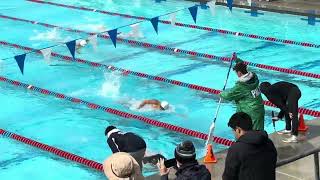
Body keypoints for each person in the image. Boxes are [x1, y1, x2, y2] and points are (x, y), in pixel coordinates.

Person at [223, 112, 277, 180]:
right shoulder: (268, 142)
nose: (234, 134)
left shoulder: (236, 149)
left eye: (233, 131)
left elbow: (228, 177)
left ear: (238, 130)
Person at [220, 58, 265, 130]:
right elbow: (243, 65)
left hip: (250, 113)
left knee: (249, 134)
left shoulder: (241, 86)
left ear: (239, 73)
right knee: (259, 133)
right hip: (259, 108)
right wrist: (237, 59)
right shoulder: (254, 77)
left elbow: (228, 96)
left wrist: (221, 93)